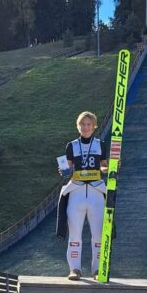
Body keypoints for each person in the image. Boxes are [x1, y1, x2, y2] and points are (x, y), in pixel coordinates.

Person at [56, 112, 108, 280]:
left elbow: (104, 167)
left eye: (89, 124)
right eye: (82, 124)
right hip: (77, 192)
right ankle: (75, 269)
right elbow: (67, 169)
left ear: (94, 127)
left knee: (99, 235)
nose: (86, 127)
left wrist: (113, 166)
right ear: (78, 126)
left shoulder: (101, 145)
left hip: (96, 192)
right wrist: (63, 171)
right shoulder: (71, 146)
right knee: (75, 234)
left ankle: (97, 270)